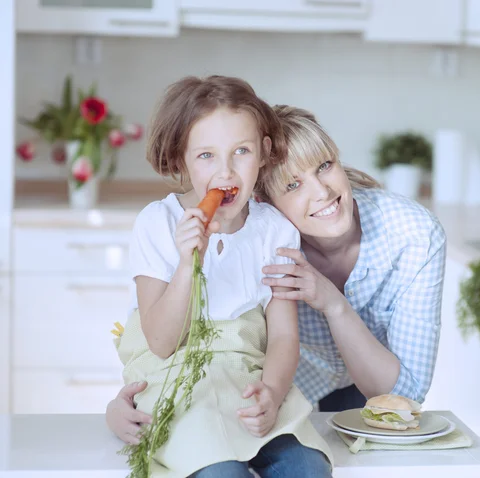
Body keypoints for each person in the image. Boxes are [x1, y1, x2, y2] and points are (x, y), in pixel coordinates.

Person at [107, 103, 447, 448]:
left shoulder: (413, 234)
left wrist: (334, 304)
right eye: (293, 185)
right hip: (277, 395)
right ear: (260, 201)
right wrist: (128, 398)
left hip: (363, 389)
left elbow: (404, 395)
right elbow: (181, 335)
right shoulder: (259, 237)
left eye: (325, 166)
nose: (322, 192)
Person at [114, 76, 332, 478]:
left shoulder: (275, 231)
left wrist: (271, 393)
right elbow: (161, 343)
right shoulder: (158, 224)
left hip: (249, 385)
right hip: (179, 388)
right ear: (181, 160)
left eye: (241, 152)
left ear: (264, 153)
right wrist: (187, 264)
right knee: (220, 473)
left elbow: (284, 336)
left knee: (308, 467)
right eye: (206, 156)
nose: (225, 171)